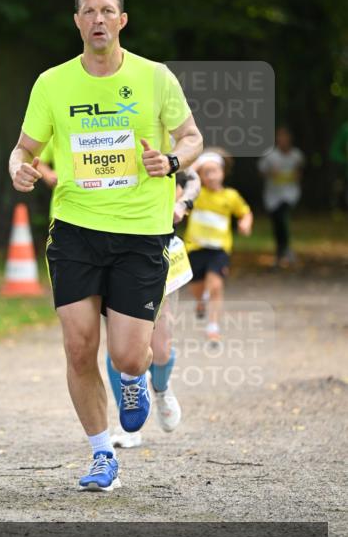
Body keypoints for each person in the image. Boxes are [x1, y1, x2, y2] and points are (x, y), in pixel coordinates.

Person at [9, 0, 203, 492]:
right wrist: (18, 166)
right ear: (77, 21)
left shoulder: (155, 77)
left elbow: (191, 135)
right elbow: (23, 148)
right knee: (77, 347)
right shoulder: (52, 84)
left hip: (142, 232)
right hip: (75, 229)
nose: (98, 19)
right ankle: (101, 455)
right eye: (89, 11)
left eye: (107, 11)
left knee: (127, 355)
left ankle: (135, 379)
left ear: (122, 20)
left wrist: (174, 160)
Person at [108, 168, 199, 448]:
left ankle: (159, 388)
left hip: (159, 250)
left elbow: (192, 178)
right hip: (111, 248)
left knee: (159, 346)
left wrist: (182, 203)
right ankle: (128, 424)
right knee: (118, 343)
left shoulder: (162, 139)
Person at [185, 151, 253, 343]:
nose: (211, 176)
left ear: (222, 172)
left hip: (219, 250)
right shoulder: (196, 194)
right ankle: (201, 301)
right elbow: (178, 195)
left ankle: (213, 326)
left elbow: (245, 212)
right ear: (200, 175)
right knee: (196, 287)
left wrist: (245, 223)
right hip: (195, 248)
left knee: (215, 285)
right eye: (206, 172)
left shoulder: (230, 196)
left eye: (214, 171)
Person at [257, 127, 304, 267]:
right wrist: (271, 173)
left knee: (283, 217)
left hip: (290, 193)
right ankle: (282, 249)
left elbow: (300, 172)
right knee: (277, 222)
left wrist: (296, 175)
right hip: (273, 195)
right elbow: (261, 172)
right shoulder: (270, 155)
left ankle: (284, 250)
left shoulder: (296, 155)